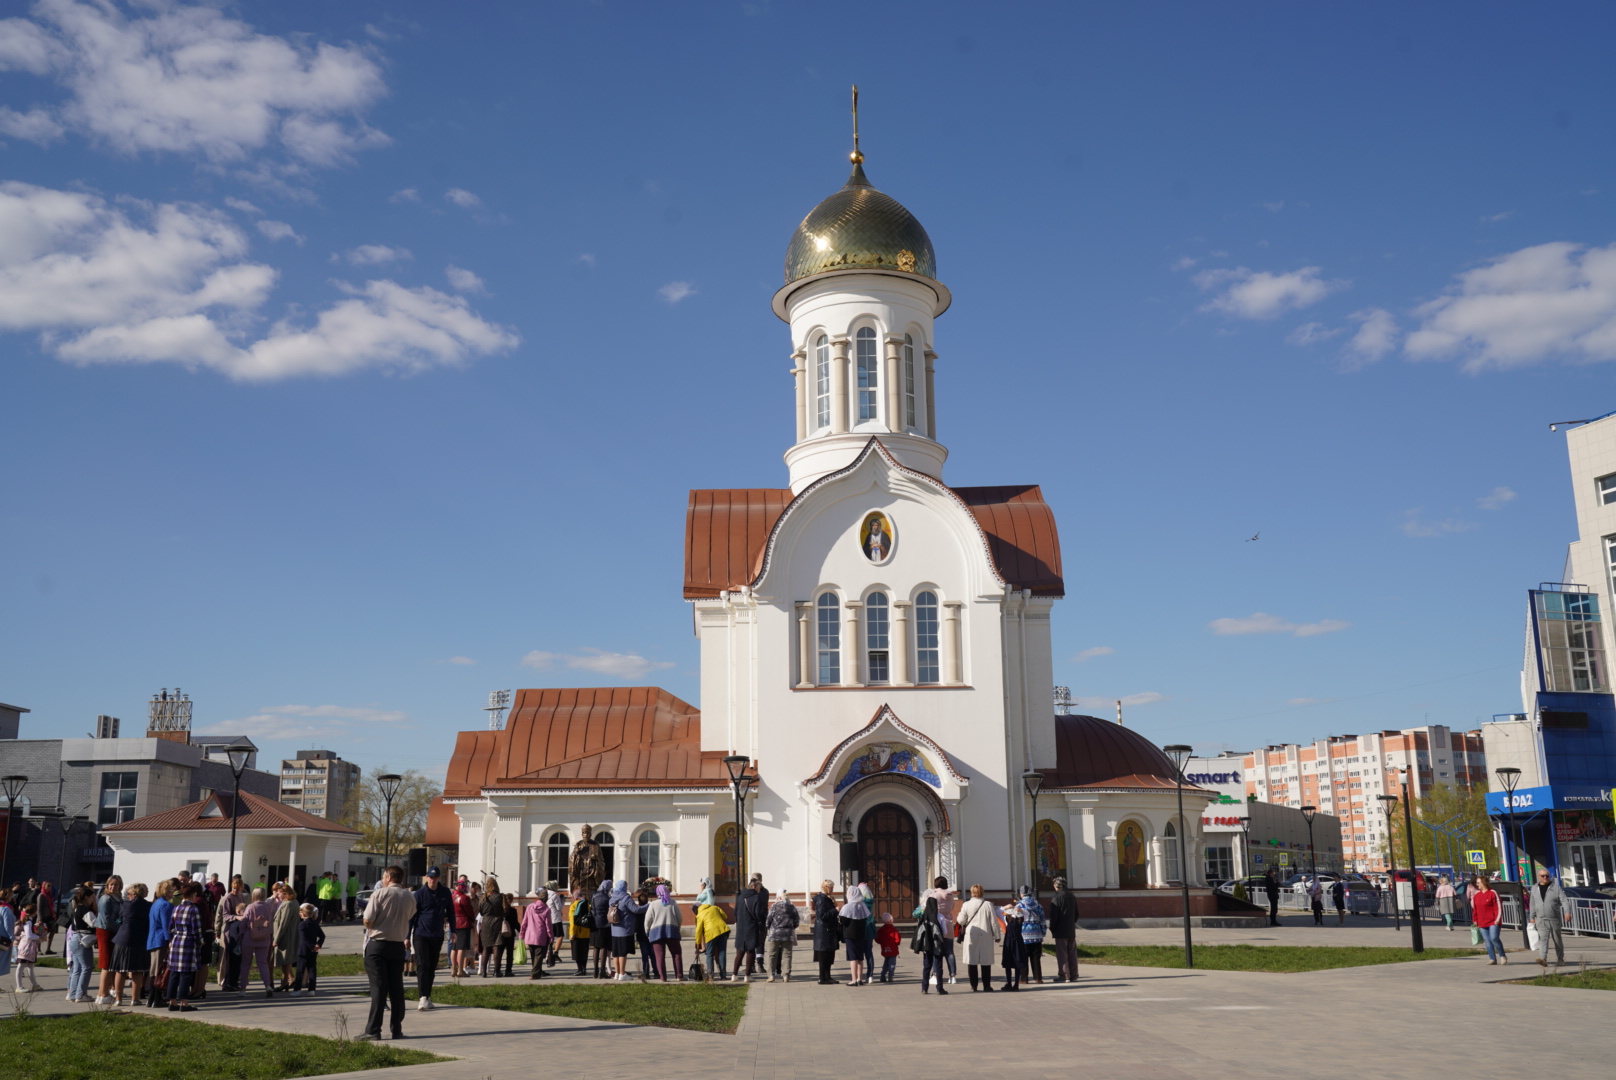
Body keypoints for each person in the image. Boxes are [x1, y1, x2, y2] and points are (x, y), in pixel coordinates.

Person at [359, 865, 413, 1042]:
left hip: (378, 945)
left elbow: (368, 919)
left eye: (384, 876)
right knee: (396, 988)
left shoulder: (379, 894)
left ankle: (373, 1029)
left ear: (389, 877)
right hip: (397, 945)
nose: (383, 879)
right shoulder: (409, 896)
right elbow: (411, 915)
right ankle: (396, 1028)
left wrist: (373, 925)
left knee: (378, 988)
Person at [409, 866, 453, 1010]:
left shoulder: (445, 892)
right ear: (426, 878)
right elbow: (412, 916)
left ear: (439, 878)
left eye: (435, 877)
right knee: (422, 965)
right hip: (421, 934)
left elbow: (451, 912)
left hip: (437, 935)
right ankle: (422, 997)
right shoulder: (419, 894)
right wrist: (406, 936)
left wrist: (454, 931)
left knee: (432, 967)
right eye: (430, 877)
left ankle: (427, 996)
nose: (432, 880)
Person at [166, 883, 204, 1012]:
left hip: (176, 941)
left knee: (174, 973)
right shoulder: (193, 909)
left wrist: (172, 939)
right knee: (186, 974)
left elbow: (170, 927)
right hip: (188, 942)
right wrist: (200, 942)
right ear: (192, 895)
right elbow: (196, 929)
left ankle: (172, 1002)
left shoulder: (176, 908)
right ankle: (184, 1003)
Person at [112, 883, 152, 1006]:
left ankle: (118, 999)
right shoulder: (148, 906)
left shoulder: (125, 905)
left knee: (120, 970)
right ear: (141, 893)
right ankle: (135, 999)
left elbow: (118, 919)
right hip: (139, 940)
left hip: (122, 939)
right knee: (137, 971)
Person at [958, 883, 1001, 992]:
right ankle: (986, 985)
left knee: (972, 961)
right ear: (982, 892)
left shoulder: (966, 904)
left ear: (972, 892)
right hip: (985, 935)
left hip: (971, 934)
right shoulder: (988, 904)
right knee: (985, 961)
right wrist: (997, 935)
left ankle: (974, 985)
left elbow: (961, 920)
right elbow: (993, 921)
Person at [93, 874, 124, 1004]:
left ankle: (104, 993)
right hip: (106, 931)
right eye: (111, 884)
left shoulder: (119, 899)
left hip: (114, 931)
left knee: (111, 964)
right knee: (106, 964)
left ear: (120, 886)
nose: (113, 886)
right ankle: (103, 994)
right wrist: (120, 928)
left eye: (115, 884)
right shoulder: (105, 899)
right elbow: (106, 919)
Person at [922, 876, 959, 984]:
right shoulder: (950, 896)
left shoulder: (933, 894)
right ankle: (953, 976)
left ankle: (935, 975)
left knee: (936, 951)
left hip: (936, 925)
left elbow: (926, 907)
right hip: (948, 924)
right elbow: (952, 907)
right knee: (950, 952)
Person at [241, 887, 277, 996]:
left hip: (249, 937)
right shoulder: (268, 907)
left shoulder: (250, 907)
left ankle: (242, 988)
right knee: (263, 963)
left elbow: (244, 922)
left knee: (246, 963)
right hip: (264, 938)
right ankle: (268, 985)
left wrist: (240, 934)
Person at [608, 879, 645, 982]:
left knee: (615, 953)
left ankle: (617, 973)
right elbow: (636, 910)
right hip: (625, 929)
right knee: (623, 953)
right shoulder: (626, 898)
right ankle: (622, 973)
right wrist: (648, 906)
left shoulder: (612, 898)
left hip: (614, 929)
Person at [146, 879, 176, 1007]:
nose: (173, 891)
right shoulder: (166, 905)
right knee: (160, 971)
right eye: (170, 889)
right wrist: (169, 939)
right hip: (161, 941)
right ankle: (157, 999)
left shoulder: (156, 903)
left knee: (154, 970)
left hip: (153, 940)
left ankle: (152, 999)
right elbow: (166, 925)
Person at [1530, 868, 1568, 968]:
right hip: (1541, 919)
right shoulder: (1534, 888)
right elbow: (1532, 903)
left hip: (1554, 918)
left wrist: (1567, 912)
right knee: (1543, 939)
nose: (1545, 878)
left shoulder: (1555, 887)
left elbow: (1564, 900)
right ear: (1539, 877)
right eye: (1543, 876)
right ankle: (1543, 959)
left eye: (1547, 876)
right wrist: (1532, 916)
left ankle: (1560, 959)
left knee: (1557, 940)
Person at [912, 895, 949, 995]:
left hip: (926, 945)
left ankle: (924, 988)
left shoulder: (923, 917)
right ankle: (939, 988)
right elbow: (944, 932)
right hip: (937, 945)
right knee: (938, 967)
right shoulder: (940, 917)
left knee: (926, 967)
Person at [734, 874, 768, 982]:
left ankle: (734, 975)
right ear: (754, 887)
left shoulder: (740, 897)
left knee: (740, 951)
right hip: (752, 926)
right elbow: (759, 913)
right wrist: (762, 922)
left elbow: (735, 912)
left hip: (741, 927)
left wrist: (739, 922)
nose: (759, 891)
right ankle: (747, 976)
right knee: (750, 951)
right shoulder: (755, 897)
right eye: (758, 888)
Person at [66, 885, 97, 1002]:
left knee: (77, 969)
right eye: (92, 897)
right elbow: (94, 923)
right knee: (87, 967)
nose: (93, 900)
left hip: (74, 938)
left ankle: (73, 994)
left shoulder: (76, 908)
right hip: (82, 939)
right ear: (86, 897)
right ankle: (81, 994)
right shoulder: (84, 909)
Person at [1048, 876, 1080, 982]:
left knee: (1062, 953)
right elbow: (1076, 914)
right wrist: (1071, 923)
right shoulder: (1071, 896)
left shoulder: (1056, 897)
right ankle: (1074, 975)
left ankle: (1064, 975)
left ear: (1056, 885)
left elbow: (1054, 916)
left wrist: (1052, 927)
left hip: (1060, 930)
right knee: (1072, 952)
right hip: (1070, 929)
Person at [764, 888, 799, 982]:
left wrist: (770, 928)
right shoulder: (792, 907)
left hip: (774, 934)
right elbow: (796, 922)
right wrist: (790, 928)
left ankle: (771, 975)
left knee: (772, 954)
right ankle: (786, 975)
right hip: (788, 934)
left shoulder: (774, 906)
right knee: (787, 955)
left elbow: (768, 921)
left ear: (779, 897)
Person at [838, 884, 870, 987]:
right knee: (860, 957)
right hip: (861, 934)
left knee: (853, 957)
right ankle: (860, 978)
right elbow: (866, 917)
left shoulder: (847, 906)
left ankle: (853, 979)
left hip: (850, 935)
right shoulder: (862, 906)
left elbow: (843, 921)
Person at [810, 880, 841, 985]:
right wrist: (835, 910)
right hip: (824, 932)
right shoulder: (822, 899)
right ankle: (822, 978)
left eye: (832, 887)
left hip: (829, 931)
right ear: (825, 887)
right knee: (824, 956)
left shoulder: (827, 898)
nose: (832, 889)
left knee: (829, 956)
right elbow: (822, 916)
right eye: (830, 887)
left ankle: (828, 977)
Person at [695, 897, 732, 981]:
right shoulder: (715, 907)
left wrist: (697, 946)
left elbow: (698, 931)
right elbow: (725, 916)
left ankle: (710, 976)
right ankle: (723, 976)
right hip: (723, 931)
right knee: (722, 953)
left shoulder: (700, 915)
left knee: (709, 954)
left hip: (711, 934)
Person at [520, 889, 554, 978]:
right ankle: (534, 974)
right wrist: (551, 936)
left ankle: (537, 973)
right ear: (546, 898)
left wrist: (521, 934)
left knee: (533, 956)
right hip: (540, 936)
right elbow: (548, 925)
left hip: (530, 935)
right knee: (538, 956)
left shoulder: (530, 907)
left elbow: (524, 922)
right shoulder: (546, 909)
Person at [1472, 875, 1505, 965]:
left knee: (1494, 938)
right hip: (1482, 921)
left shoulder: (1492, 893)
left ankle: (1502, 955)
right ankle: (1492, 958)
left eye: (1478, 883)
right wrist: (1475, 919)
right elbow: (1475, 909)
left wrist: (1497, 918)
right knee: (1487, 940)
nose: (1477, 884)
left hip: (1493, 921)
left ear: (1484, 883)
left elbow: (1498, 907)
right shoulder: (1477, 895)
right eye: (1477, 883)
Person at [1016, 885, 1046, 983]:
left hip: (1024, 936)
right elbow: (1042, 919)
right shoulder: (1038, 904)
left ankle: (1024, 979)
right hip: (1037, 934)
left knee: (1023, 957)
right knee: (1036, 957)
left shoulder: (1019, 905)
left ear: (1021, 894)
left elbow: (1016, 920)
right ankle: (1038, 978)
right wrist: (1043, 932)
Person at [273, 884, 299, 991]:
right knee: (286, 960)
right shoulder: (295, 902)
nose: (277, 895)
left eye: (279, 893)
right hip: (290, 934)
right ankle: (288, 980)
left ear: (285, 894)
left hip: (286, 936)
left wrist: (276, 939)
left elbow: (283, 923)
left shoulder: (288, 904)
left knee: (285, 960)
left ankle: (285, 982)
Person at [295, 903, 324, 992]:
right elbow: (322, 936)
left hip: (303, 951)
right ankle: (312, 989)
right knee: (312, 970)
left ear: (303, 914)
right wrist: (318, 945)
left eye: (300, 912)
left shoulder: (302, 925)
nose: (299, 914)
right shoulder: (315, 923)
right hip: (313, 951)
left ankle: (297, 990)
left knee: (300, 970)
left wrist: (312, 946)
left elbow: (304, 939)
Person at [450, 880, 476, 978]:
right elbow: (469, 911)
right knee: (461, 948)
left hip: (454, 924)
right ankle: (460, 970)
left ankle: (453, 970)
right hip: (463, 923)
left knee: (454, 948)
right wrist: (473, 919)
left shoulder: (452, 897)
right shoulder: (464, 898)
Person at [13, 904, 42, 992]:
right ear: (34, 912)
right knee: (21, 965)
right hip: (27, 946)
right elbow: (29, 936)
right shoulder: (28, 922)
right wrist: (38, 937)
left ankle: (35, 985)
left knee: (30, 965)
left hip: (28, 946)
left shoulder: (28, 920)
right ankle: (19, 986)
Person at [477, 886, 503, 976]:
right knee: (496, 947)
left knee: (486, 948)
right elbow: (505, 909)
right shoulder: (500, 897)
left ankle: (484, 972)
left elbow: (480, 911)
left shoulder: (483, 898)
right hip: (497, 922)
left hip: (486, 922)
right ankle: (497, 971)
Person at [999, 901, 1024, 991]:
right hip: (1017, 941)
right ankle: (1013, 984)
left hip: (1010, 941)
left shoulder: (1013, 917)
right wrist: (1006, 907)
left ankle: (1012, 984)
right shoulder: (1019, 917)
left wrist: (1004, 907)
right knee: (1011, 963)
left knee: (1012, 963)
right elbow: (997, 912)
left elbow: (997, 912)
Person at [590, 880, 613, 979]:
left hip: (594, 923)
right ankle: (602, 971)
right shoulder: (607, 897)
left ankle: (595, 971)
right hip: (605, 924)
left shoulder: (594, 895)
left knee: (596, 948)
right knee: (603, 947)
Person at [568, 887, 592, 975]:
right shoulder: (588, 905)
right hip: (586, 933)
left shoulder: (574, 906)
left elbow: (573, 921)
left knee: (577, 953)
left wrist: (572, 933)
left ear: (575, 897)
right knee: (584, 952)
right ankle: (584, 969)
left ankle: (580, 969)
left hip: (577, 933)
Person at [545, 882, 567, 967]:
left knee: (550, 937)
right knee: (560, 936)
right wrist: (563, 900)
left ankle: (548, 953)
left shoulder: (545, 894)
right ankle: (556, 953)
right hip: (556, 918)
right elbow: (559, 907)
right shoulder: (555, 895)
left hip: (548, 918)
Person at [875, 911, 902, 983]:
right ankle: (890, 976)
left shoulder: (881, 930)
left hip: (885, 949)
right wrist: (897, 944)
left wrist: (882, 943)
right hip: (893, 949)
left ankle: (882, 976)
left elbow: (877, 939)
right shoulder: (894, 930)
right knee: (892, 964)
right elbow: (897, 940)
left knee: (886, 963)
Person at [37, 880, 55, 956]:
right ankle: (38, 950)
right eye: (48, 886)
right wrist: (40, 918)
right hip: (42, 918)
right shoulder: (41, 895)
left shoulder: (49, 896)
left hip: (50, 917)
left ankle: (48, 949)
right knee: (40, 934)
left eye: (50, 886)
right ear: (44, 886)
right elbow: (39, 908)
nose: (49, 887)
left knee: (52, 931)